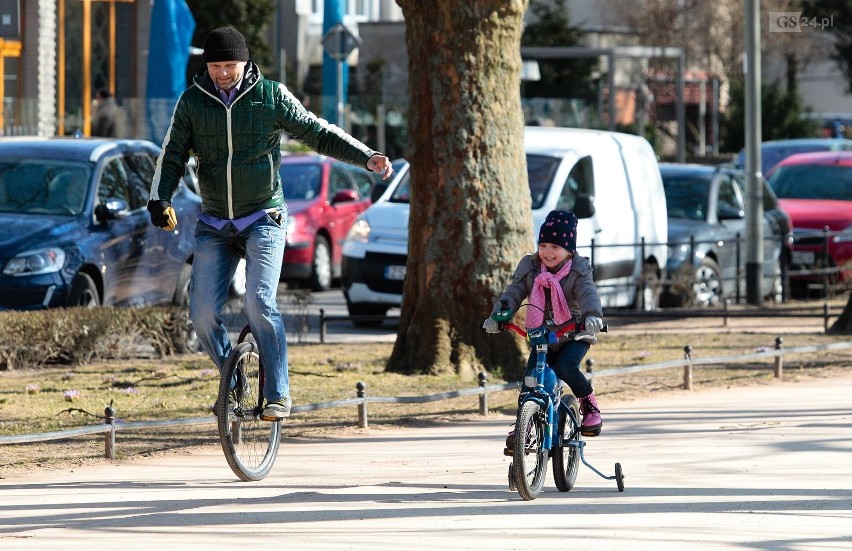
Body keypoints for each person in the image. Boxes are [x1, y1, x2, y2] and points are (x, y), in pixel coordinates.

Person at [147, 26, 393, 421]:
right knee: (203, 314)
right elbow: (172, 152)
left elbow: (317, 132)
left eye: (230, 65)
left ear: (245, 63)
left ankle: (278, 393)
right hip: (214, 222)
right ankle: (232, 377)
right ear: (206, 66)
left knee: (259, 302)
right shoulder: (192, 102)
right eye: (216, 66)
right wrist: (160, 199)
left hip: (264, 217)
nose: (223, 73)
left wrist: (366, 157)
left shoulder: (271, 96)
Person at [482, 210, 605, 442]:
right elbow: (513, 292)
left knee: (566, 368)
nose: (548, 252)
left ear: (569, 250)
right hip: (542, 334)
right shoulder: (531, 267)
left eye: (555, 247)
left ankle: (589, 407)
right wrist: (497, 317)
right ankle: (524, 426)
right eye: (544, 245)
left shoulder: (578, 270)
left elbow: (588, 293)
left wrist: (591, 316)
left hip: (574, 334)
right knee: (530, 378)